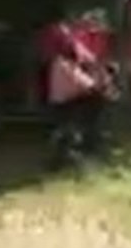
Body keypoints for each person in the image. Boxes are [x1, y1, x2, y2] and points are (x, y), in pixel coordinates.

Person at [40, 16, 117, 168]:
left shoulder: (65, 60)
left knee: (74, 125)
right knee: (72, 129)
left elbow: (87, 65)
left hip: (67, 100)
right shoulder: (63, 63)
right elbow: (80, 81)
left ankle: (70, 156)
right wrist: (100, 87)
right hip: (66, 103)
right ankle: (68, 158)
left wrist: (100, 82)